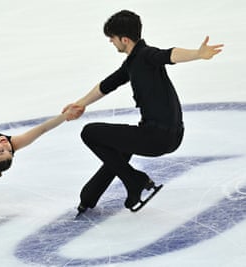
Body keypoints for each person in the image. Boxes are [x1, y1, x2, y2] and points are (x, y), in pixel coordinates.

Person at [63, 10, 223, 215]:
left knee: (90, 133)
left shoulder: (146, 55)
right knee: (118, 149)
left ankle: (135, 180)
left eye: (112, 39)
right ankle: (89, 197)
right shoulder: (133, 62)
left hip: (158, 136)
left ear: (125, 39)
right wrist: (80, 104)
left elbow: (169, 55)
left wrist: (197, 54)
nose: (111, 43)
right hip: (167, 135)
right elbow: (107, 85)